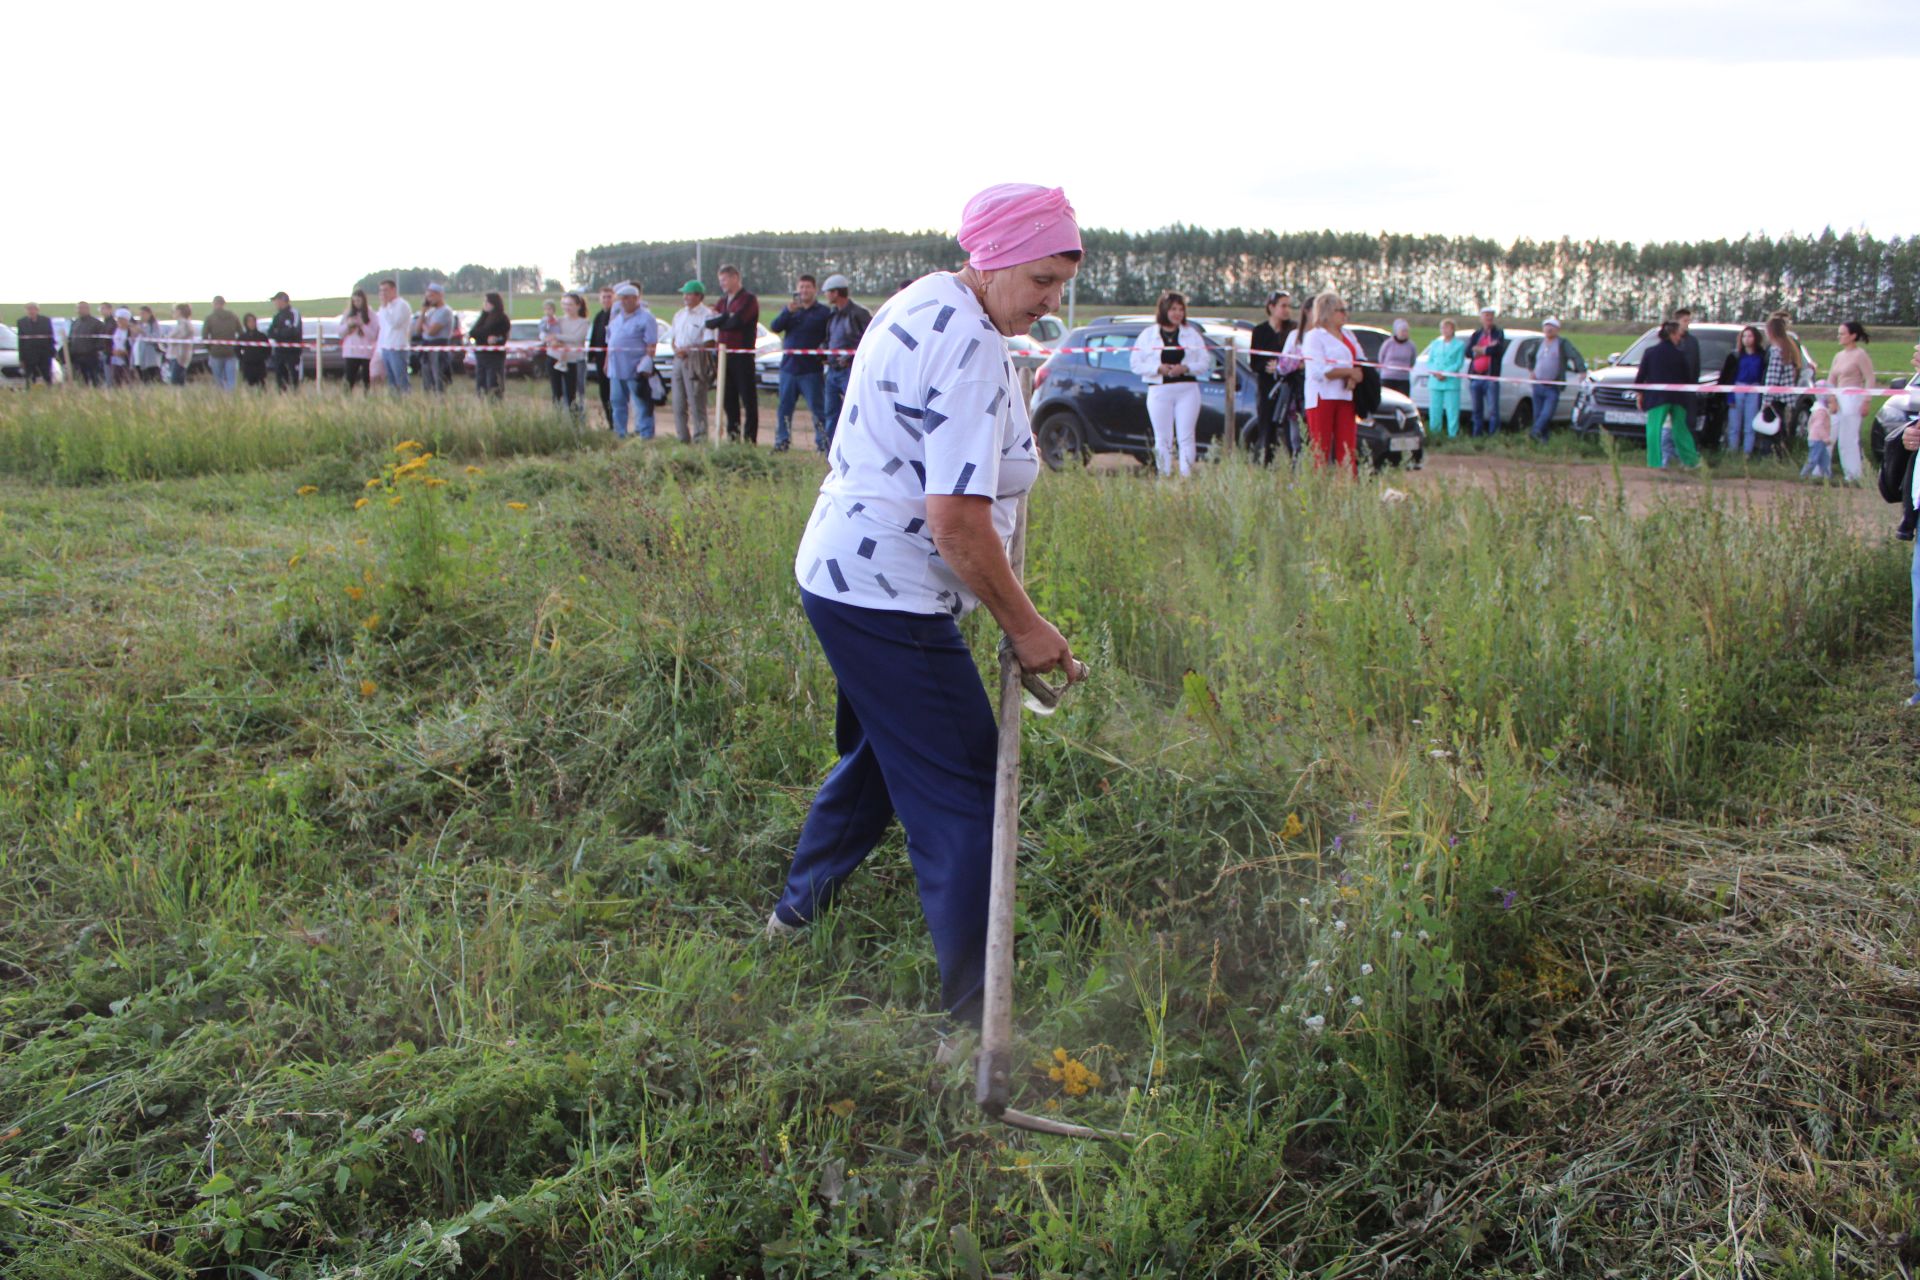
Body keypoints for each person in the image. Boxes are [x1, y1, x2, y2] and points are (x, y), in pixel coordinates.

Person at [771, 181, 1084, 1033]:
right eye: (1043, 281)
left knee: (882, 761)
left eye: (1063, 285)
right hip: (890, 597)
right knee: (965, 795)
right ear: (996, 258)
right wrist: (1026, 626)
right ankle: (976, 1024)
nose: (1052, 302)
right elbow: (955, 521)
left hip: (840, 573)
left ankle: (792, 919)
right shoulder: (972, 345)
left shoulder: (924, 299)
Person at [1128, 289, 1212, 477]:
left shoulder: (1191, 334)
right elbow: (1135, 363)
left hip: (1187, 389)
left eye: (1181, 309)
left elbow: (1204, 361)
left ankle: (1185, 476)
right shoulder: (1148, 335)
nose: (1177, 313)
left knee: (1186, 436)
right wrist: (1157, 368)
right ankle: (1164, 475)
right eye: (1173, 309)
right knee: (1163, 438)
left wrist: (1186, 367)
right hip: (1160, 390)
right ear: (1164, 310)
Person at [1302, 290, 1364, 473]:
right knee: (1320, 448)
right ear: (1327, 312)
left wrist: (1355, 375)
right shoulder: (1314, 336)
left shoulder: (1349, 335)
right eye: (1340, 310)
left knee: (1347, 448)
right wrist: (1348, 372)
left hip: (1345, 395)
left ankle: (1346, 488)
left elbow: (1360, 359)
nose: (1345, 314)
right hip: (1322, 396)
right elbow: (1319, 371)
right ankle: (1318, 488)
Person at [771, 274, 832, 453]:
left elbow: (830, 335)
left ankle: (823, 444)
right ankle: (782, 443)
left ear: (814, 289)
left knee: (818, 410)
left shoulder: (823, 313)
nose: (804, 291)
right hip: (788, 369)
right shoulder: (791, 310)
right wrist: (787, 312)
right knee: (784, 410)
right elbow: (775, 327)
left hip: (811, 370)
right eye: (801, 287)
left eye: (807, 287)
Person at [705, 265, 761, 443]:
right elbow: (711, 323)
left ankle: (750, 439)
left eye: (725, 280)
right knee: (729, 400)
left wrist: (723, 319)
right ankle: (733, 436)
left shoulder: (748, 299)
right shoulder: (722, 301)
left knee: (748, 400)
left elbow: (737, 322)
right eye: (720, 280)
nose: (722, 284)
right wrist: (725, 317)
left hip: (742, 356)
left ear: (735, 277)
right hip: (723, 357)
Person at [1634, 320, 1698, 469]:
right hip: (1678, 398)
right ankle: (1691, 461)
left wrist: (1640, 395)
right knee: (1681, 429)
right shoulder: (1680, 354)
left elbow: (1641, 376)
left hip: (1657, 397)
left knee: (1654, 429)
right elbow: (1687, 378)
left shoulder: (1650, 352)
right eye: (1678, 335)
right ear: (1671, 334)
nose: (1680, 338)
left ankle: (1654, 463)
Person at [820, 273, 871, 452]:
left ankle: (857, 448)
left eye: (828, 292)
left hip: (850, 370)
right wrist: (824, 351)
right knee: (830, 412)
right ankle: (829, 450)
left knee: (855, 411)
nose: (825, 295)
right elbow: (830, 338)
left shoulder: (859, 313)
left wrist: (850, 358)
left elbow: (870, 339)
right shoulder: (833, 314)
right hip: (833, 371)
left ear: (836, 293)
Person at [604, 283, 658, 440]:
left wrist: (647, 362)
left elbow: (651, 343)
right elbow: (610, 343)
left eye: (627, 298)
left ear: (636, 299)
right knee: (617, 402)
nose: (624, 301)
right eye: (621, 298)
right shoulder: (616, 319)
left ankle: (645, 434)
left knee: (641, 403)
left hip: (635, 368)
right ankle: (619, 433)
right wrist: (607, 362)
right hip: (616, 368)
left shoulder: (646, 318)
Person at [1248, 291, 1297, 464]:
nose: (1287, 310)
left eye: (1289, 306)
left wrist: (1283, 366)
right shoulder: (1260, 331)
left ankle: (1294, 465)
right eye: (1283, 306)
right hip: (1267, 388)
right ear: (1271, 307)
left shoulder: (1293, 330)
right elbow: (1254, 363)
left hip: (1289, 388)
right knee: (1266, 429)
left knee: (1291, 430)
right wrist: (1268, 367)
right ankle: (1265, 464)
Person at [668, 280, 717, 442]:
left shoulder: (707, 315)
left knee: (697, 402)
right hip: (678, 360)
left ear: (698, 296)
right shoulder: (679, 315)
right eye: (684, 294)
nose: (685, 297)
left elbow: (710, 342)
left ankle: (700, 438)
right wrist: (676, 349)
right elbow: (673, 339)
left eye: (688, 294)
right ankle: (682, 438)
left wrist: (689, 349)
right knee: (678, 403)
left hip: (696, 361)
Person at [1828, 321, 1876, 484]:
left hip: (1853, 397)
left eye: (1843, 334)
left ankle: (1853, 474)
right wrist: (1832, 398)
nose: (1839, 337)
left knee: (1848, 437)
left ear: (1853, 336)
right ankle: (1820, 470)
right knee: (1829, 434)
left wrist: (1866, 400)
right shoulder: (1837, 356)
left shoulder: (1860, 355)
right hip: (1838, 397)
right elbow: (1832, 379)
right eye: (1839, 333)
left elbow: (1870, 378)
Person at [1718, 324, 1766, 458]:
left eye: (1750, 336)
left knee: (1749, 425)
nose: (1747, 339)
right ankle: (1733, 451)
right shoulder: (1736, 356)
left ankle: (1747, 452)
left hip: (1754, 390)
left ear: (1756, 338)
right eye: (1744, 336)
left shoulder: (1761, 356)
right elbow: (1728, 378)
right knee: (1734, 424)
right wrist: (1730, 396)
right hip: (1737, 389)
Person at [1760, 314, 1803, 459]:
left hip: (1774, 398)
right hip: (1783, 398)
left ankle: (1769, 456)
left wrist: (1766, 400)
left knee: (1769, 429)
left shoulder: (1776, 350)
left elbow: (1772, 377)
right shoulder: (1788, 348)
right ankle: (1780, 454)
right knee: (1780, 428)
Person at [1527, 317, 1575, 441]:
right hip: (1537, 384)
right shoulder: (1538, 343)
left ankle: (1535, 431)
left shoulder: (1562, 343)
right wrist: (1531, 370)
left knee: (1546, 414)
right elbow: (1529, 355)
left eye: (1552, 326)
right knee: (1537, 414)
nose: (1548, 329)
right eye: (1546, 326)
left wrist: (1581, 370)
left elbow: (1574, 355)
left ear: (1557, 329)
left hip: (1552, 386)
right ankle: (1543, 441)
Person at [546, 291, 591, 416]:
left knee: (572, 393)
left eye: (570, 304)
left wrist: (558, 336)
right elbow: (547, 335)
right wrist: (553, 339)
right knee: (556, 392)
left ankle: (575, 421)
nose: (567, 307)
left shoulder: (584, 322)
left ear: (578, 305)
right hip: (555, 358)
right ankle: (558, 419)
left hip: (573, 361)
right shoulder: (557, 321)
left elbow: (577, 338)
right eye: (564, 304)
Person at [1423, 319, 1467, 438]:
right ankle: (1434, 433)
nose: (1445, 330)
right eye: (1443, 328)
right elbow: (1430, 361)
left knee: (1452, 409)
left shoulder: (1459, 345)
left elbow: (1458, 363)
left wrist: (1445, 373)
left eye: (1447, 328)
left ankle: (1452, 434)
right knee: (1435, 409)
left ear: (1452, 329)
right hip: (1435, 381)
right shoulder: (1435, 343)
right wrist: (1435, 372)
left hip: (1451, 381)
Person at [1466, 307, 1506, 436]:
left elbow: (1497, 350)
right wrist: (1482, 350)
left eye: (1490, 315)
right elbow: (1468, 352)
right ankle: (1477, 435)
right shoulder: (1476, 334)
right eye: (1486, 315)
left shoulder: (1498, 333)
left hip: (1490, 378)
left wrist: (1480, 350)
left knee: (1493, 409)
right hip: (1476, 377)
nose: (1488, 318)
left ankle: (1493, 435)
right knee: (1477, 409)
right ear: (1481, 318)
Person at [469, 292, 511, 398]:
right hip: (481, 355)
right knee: (481, 385)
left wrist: (485, 335)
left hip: (494, 357)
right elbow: (473, 332)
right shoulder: (484, 316)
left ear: (494, 303)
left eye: (487, 302)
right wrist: (484, 315)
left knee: (493, 384)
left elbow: (496, 334)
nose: (484, 304)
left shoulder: (502, 318)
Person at [374, 279, 413, 394]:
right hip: (386, 347)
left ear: (393, 290)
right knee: (391, 381)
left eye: (386, 290)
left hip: (397, 347)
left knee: (401, 378)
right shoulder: (384, 308)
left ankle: (406, 399)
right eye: (381, 291)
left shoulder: (402, 305)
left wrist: (385, 307)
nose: (383, 294)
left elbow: (395, 323)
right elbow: (383, 329)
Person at [338, 290, 379, 393]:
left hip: (366, 352)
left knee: (366, 380)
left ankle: (367, 398)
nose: (356, 303)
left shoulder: (371, 314)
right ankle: (346, 399)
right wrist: (348, 325)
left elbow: (373, 335)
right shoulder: (348, 314)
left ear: (364, 300)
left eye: (359, 300)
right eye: (354, 301)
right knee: (349, 379)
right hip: (351, 352)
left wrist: (362, 324)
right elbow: (340, 333)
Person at [588, 284, 616, 428]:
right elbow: (594, 336)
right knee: (603, 391)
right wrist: (591, 354)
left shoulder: (615, 314)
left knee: (614, 392)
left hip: (613, 358)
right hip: (599, 358)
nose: (606, 300)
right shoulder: (599, 316)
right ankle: (610, 421)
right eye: (603, 297)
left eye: (609, 297)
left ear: (614, 298)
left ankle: (616, 422)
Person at [202, 295, 241, 391]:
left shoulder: (210, 318)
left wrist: (210, 348)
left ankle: (220, 400)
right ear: (224, 304)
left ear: (213, 304)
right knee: (231, 379)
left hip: (216, 352)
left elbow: (204, 336)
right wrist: (237, 347)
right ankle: (232, 399)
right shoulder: (233, 316)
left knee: (218, 379)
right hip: (231, 351)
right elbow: (241, 333)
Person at [266, 292, 303, 391]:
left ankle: (295, 395)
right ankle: (282, 396)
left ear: (282, 300)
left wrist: (278, 334)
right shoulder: (277, 316)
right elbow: (270, 332)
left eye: (276, 301)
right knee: (280, 377)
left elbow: (293, 331)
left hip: (292, 352)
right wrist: (279, 334)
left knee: (293, 376)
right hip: (279, 352)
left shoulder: (294, 313)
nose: (275, 303)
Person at [68, 301, 107, 387]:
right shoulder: (75, 323)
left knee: (94, 379)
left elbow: (101, 341)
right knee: (81, 380)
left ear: (88, 309)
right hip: (77, 357)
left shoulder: (97, 323)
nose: (80, 310)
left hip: (91, 357)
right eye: (78, 308)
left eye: (82, 308)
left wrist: (93, 350)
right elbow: (70, 339)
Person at [14, 303, 55, 387]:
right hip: (28, 355)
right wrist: (21, 358)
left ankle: (50, 391)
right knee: (29, 378)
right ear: (26, 310)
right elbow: (21, 341)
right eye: (29, 309)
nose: (31, 311)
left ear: (37, 310)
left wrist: (51, 353)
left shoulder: (45, 320)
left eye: (33, 309)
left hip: (44, 355)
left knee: (47, 376)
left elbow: (50, 337)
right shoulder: (21, 322)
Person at [1377, 319, 1416, 398]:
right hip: (1388, 378)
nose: (1404, 333)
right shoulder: (1388, 343)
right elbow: (1381, 358)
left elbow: (1413, 360)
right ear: (1397, 331)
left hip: (1403, 379)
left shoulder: (1411, 345)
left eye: (1406, 331)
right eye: (1402, 331)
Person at [1801, 386, 1834, 480]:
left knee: (1825, 460)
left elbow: (1811, 424)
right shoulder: (1821, 412)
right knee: (1813, 459)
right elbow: (1818, 426)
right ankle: (1804, 475)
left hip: (1815, 439)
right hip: (1818, 440)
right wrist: (1825, 438)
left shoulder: (1816, 410)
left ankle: (1828, 477)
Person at [236, 313, 271, 387]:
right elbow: (237, 350)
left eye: (253, 321)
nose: (251, 324)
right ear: (246, 323)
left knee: (261, 387)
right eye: (249, 321)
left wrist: (262, 357)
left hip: (260, 367)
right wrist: (244, 358)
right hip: (247, 366)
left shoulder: (262, 336)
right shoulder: (242, 337)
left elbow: (268, 350)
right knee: (248, 387)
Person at [133, 306, 166, 383]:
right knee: (143, 377)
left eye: (143, 313)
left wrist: (143, 332)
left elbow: (155, 338)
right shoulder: (141, 324)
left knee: (152, 378)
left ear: (149, 314)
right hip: (141, 356)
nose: (141, 315)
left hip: (151, 357)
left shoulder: (154, 325)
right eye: (140, 314)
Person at [165, 304, 195, 386]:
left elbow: (179, 337)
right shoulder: (180, 324)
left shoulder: (184, 324)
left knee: (175, 381)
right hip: (175, 355)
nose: (173, 312)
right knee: (177, 380)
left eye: (175, 310)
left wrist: (169, 338)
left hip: (179, 356)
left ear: (179, 312)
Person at [109, 309, 136, 387]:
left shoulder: (130, 331)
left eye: (121, 319)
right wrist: (113, 351)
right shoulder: (115, 330)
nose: (118, 321)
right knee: (116, 379)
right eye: (118, 319)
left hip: (126, 360)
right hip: (115, 358)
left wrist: (124, 352)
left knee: (127, 379)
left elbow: (132, 346)